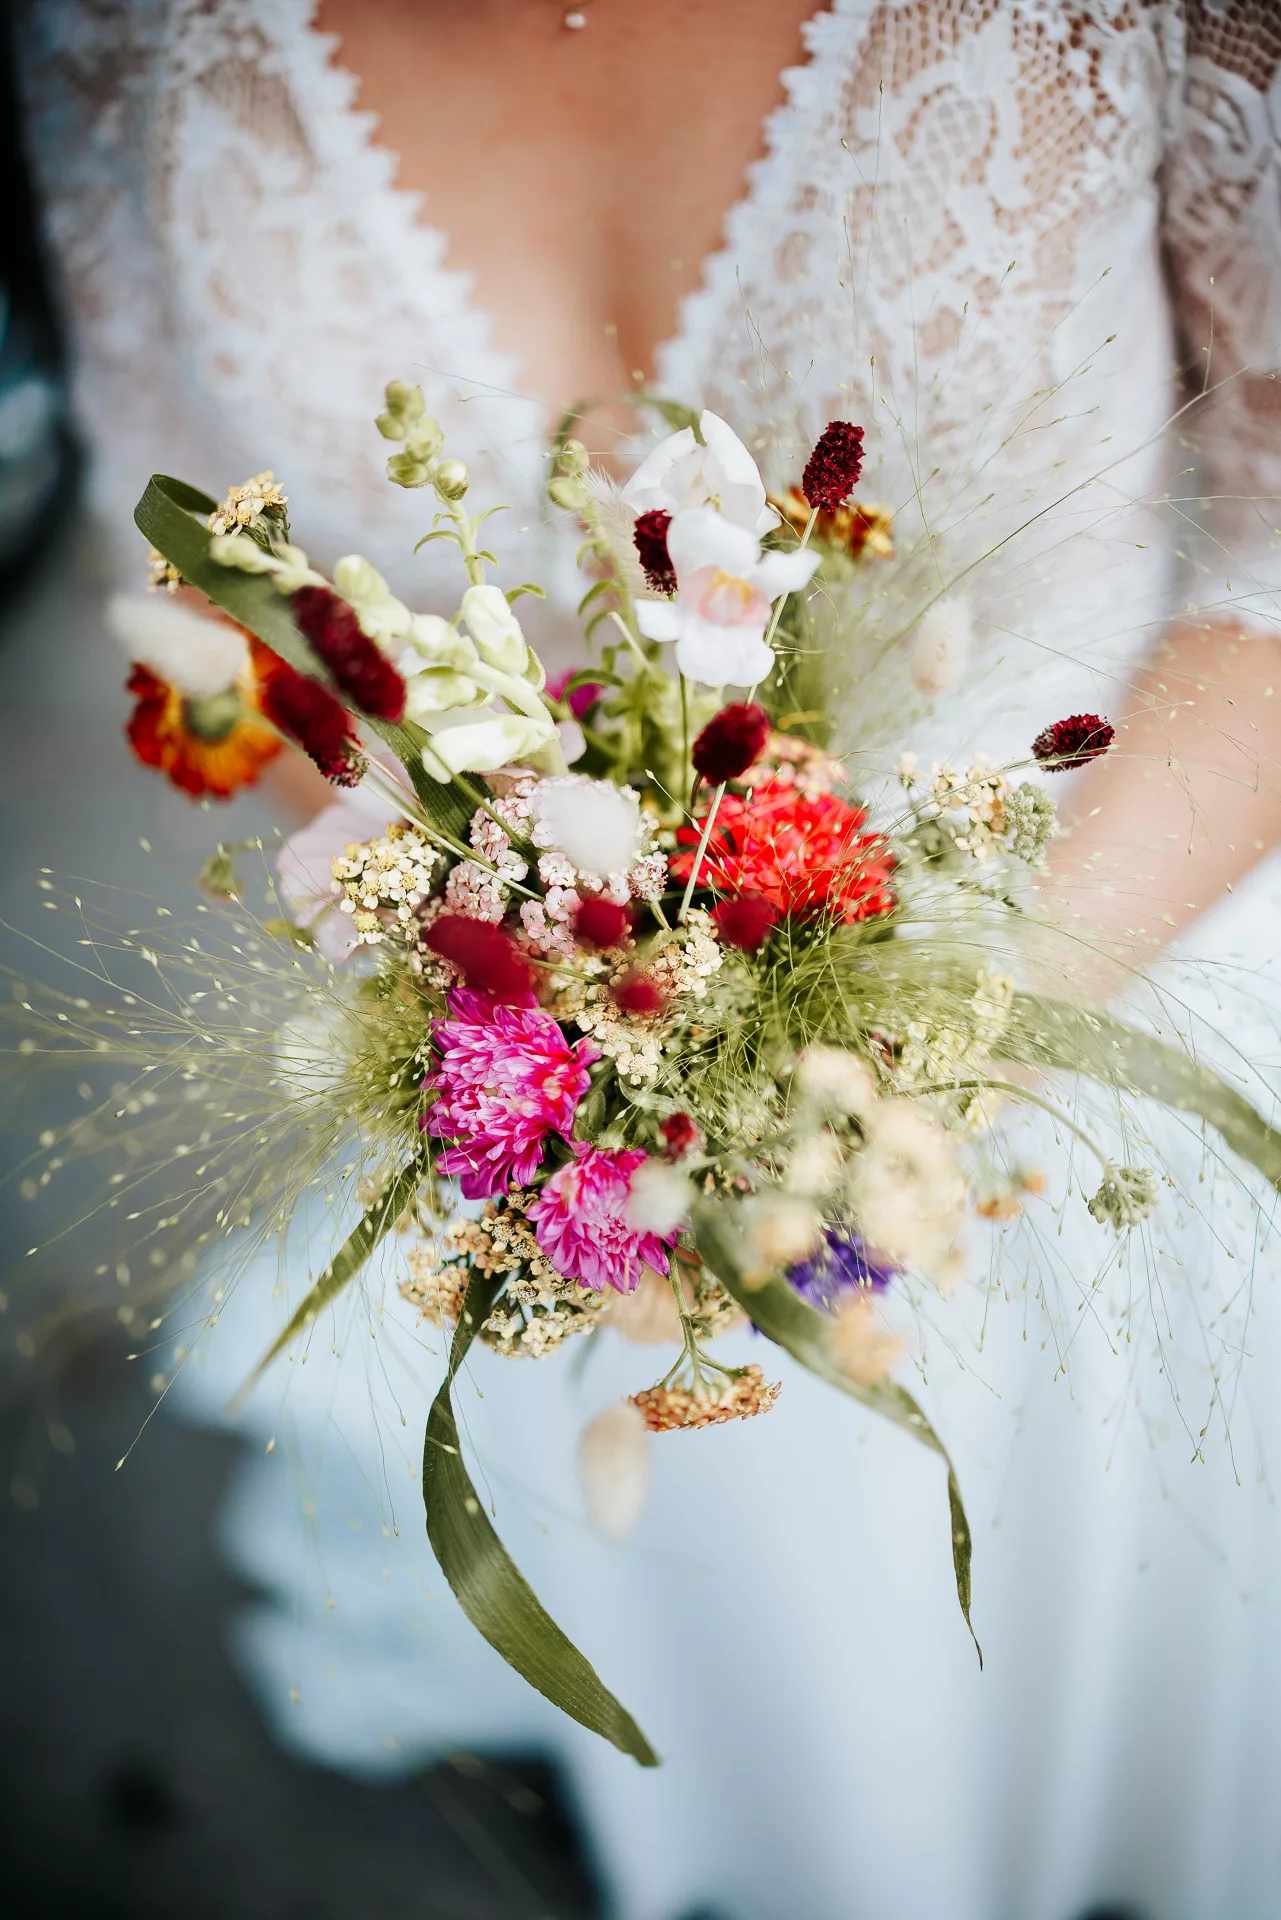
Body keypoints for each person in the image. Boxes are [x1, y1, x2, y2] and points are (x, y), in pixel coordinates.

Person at [15, 5, 1281, 1916]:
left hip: (1108, 1022)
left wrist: (915, 1063)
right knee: (766, 1687)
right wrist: (474, 921)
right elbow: (194, 564)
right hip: (564, 1154)